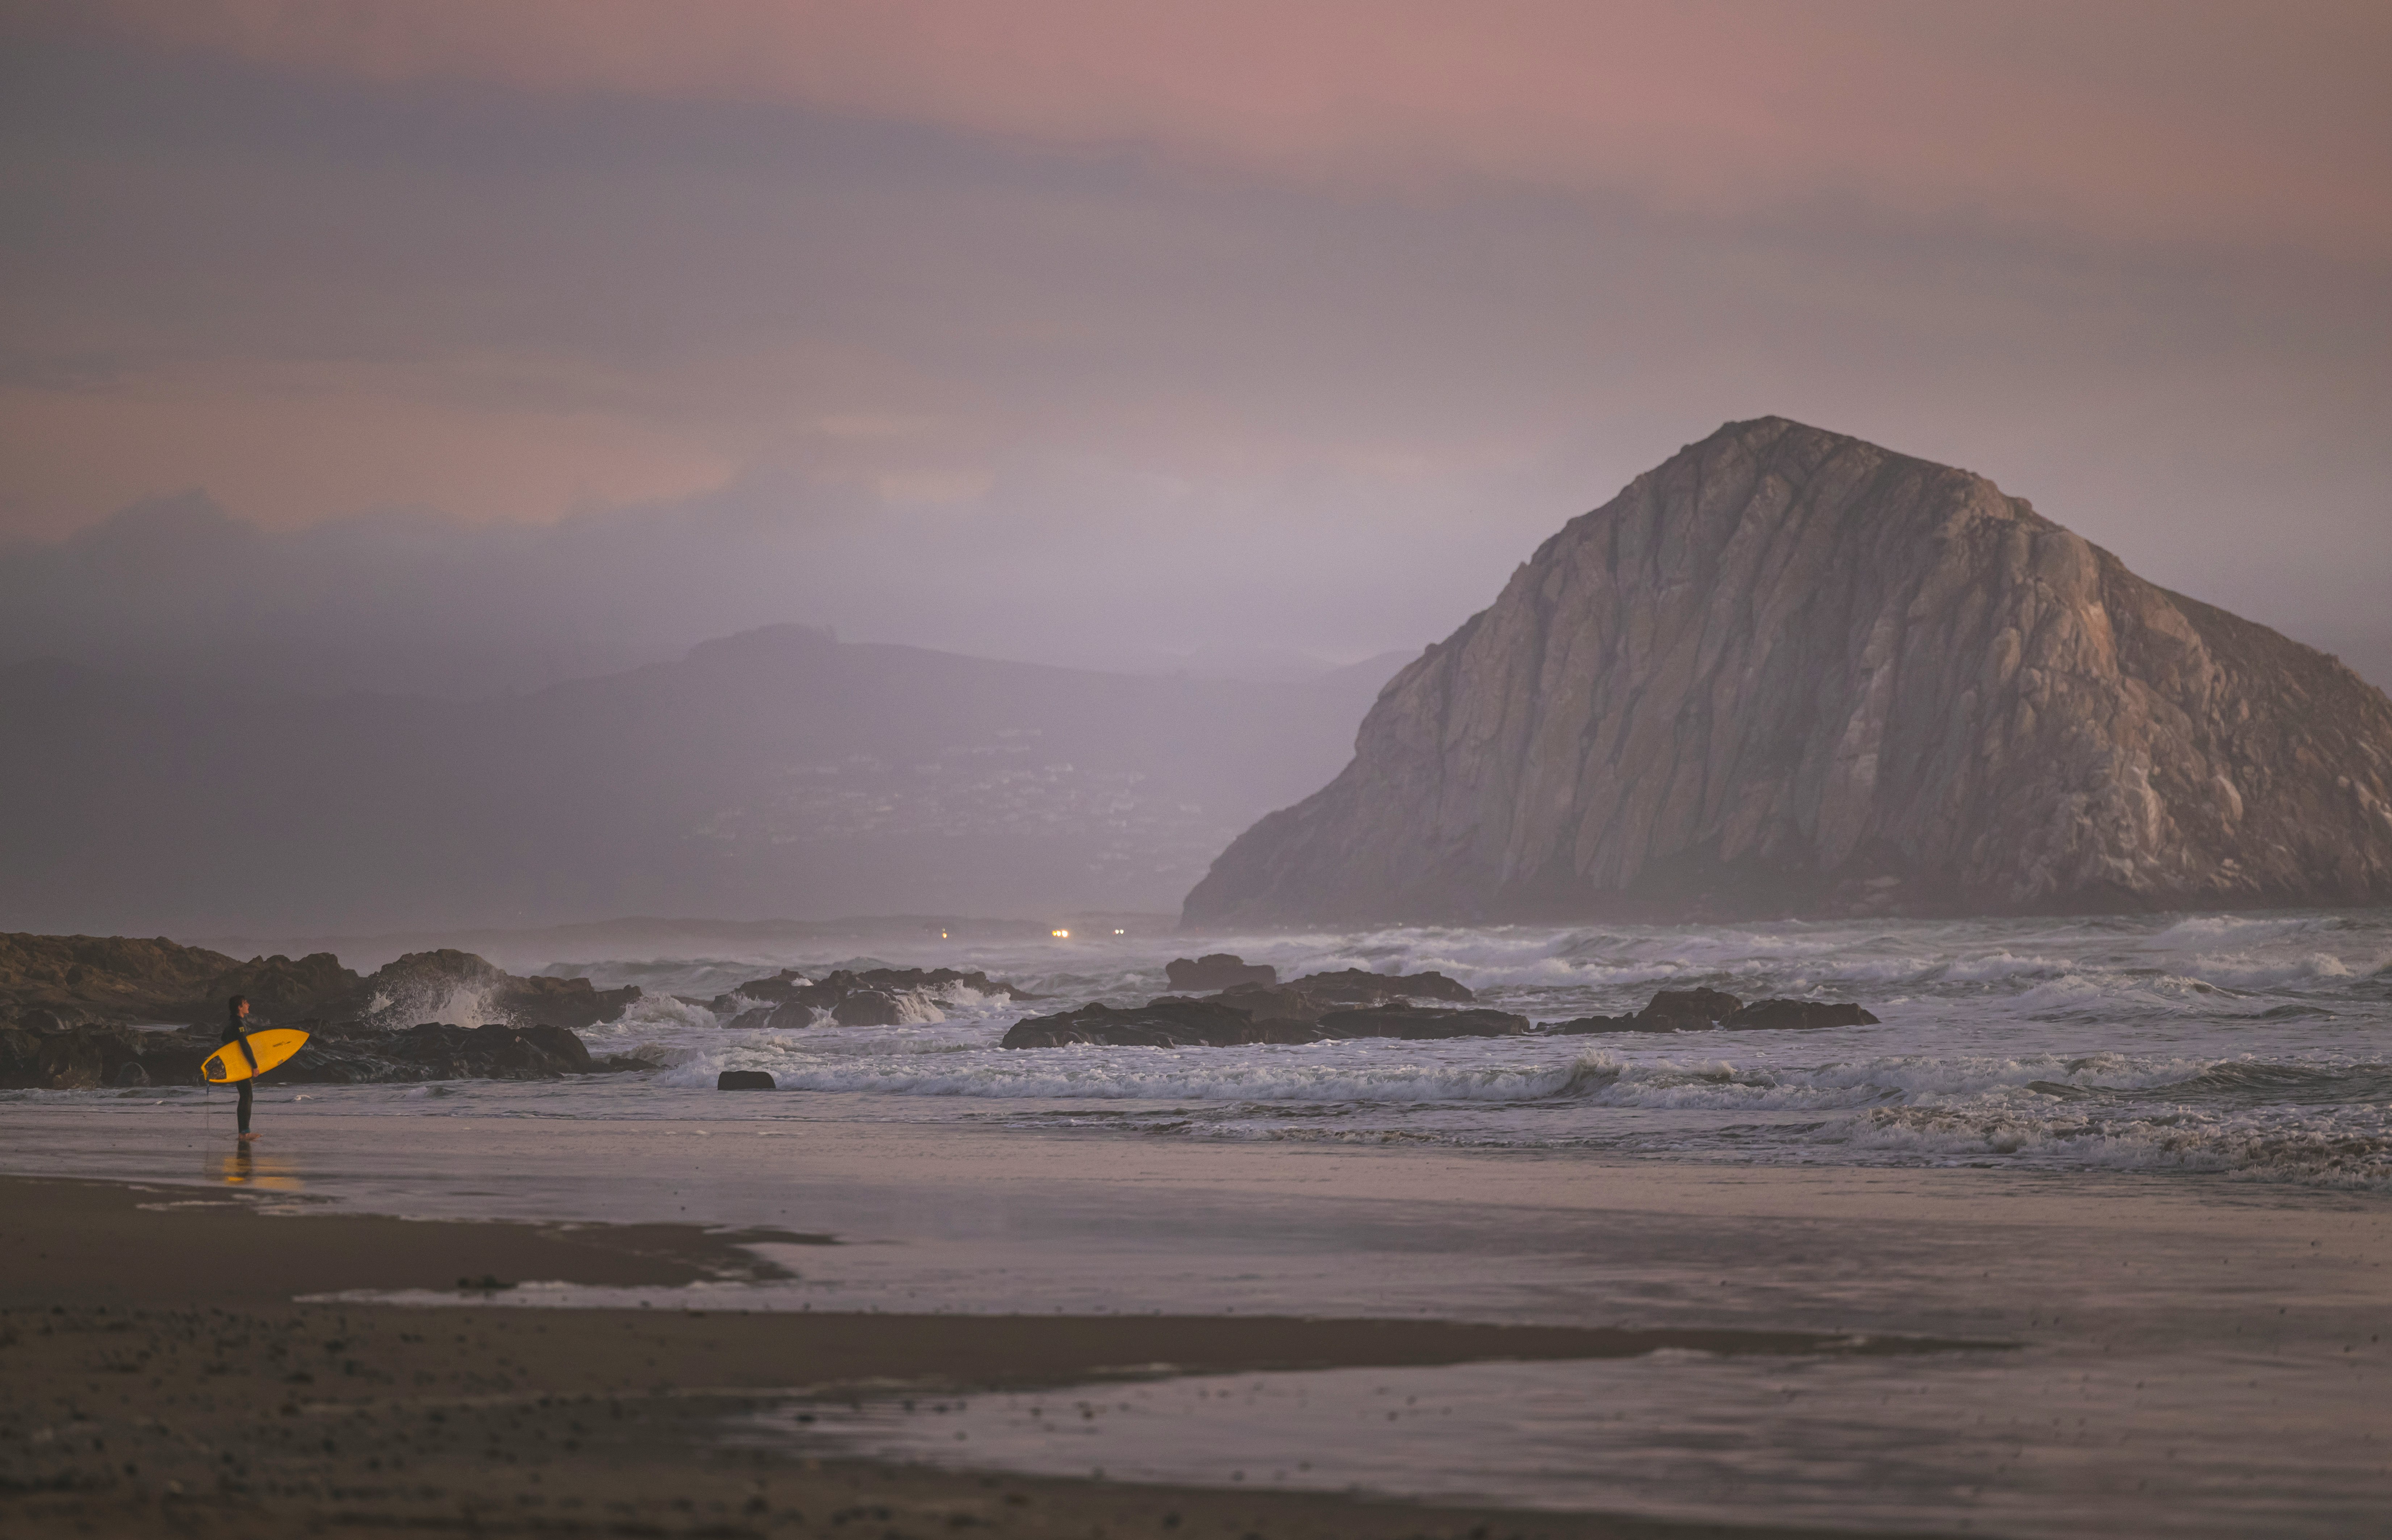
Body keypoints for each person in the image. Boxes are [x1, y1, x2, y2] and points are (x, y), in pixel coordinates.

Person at [223, 994, 261, 1139]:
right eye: (246, 1003)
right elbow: (245, 1046)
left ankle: (244, 1132)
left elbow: (224, 1039)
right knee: (247, 1096)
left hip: (236, 1064)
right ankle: (244, 1133)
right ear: (240, 1007)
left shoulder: (231, 1023)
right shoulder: (239, 1024)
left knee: (245, 1096)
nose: (248, 1005)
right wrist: (254, 1065)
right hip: (241, 1065)